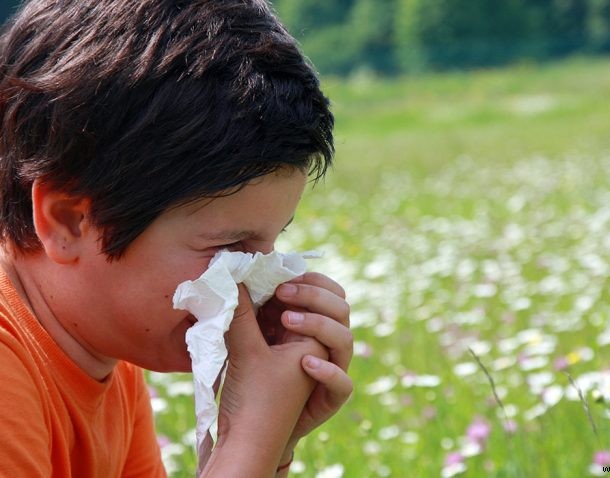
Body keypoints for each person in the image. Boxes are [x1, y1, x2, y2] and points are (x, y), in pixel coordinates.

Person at [0, 0, 353, 476]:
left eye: (271, 246)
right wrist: (251, 442)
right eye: (229, 250)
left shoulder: (105, 360)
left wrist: (264, 448)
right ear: (68, 221)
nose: (253, 286)